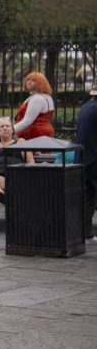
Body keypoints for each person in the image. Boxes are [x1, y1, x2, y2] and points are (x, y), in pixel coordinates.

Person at [75, 85, 97, 240]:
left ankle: (86, 231)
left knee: (88, 197)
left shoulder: (86, 107)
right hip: (94, 159)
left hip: (83, 158)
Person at [14, 72, 55, 140]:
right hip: (42, 133)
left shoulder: (37, 98)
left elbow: (27, 122)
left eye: (33, 80)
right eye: (28, 79)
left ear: (40, 83)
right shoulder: (45, 96)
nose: (29, 82)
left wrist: (10, 131)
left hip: (36, 135)